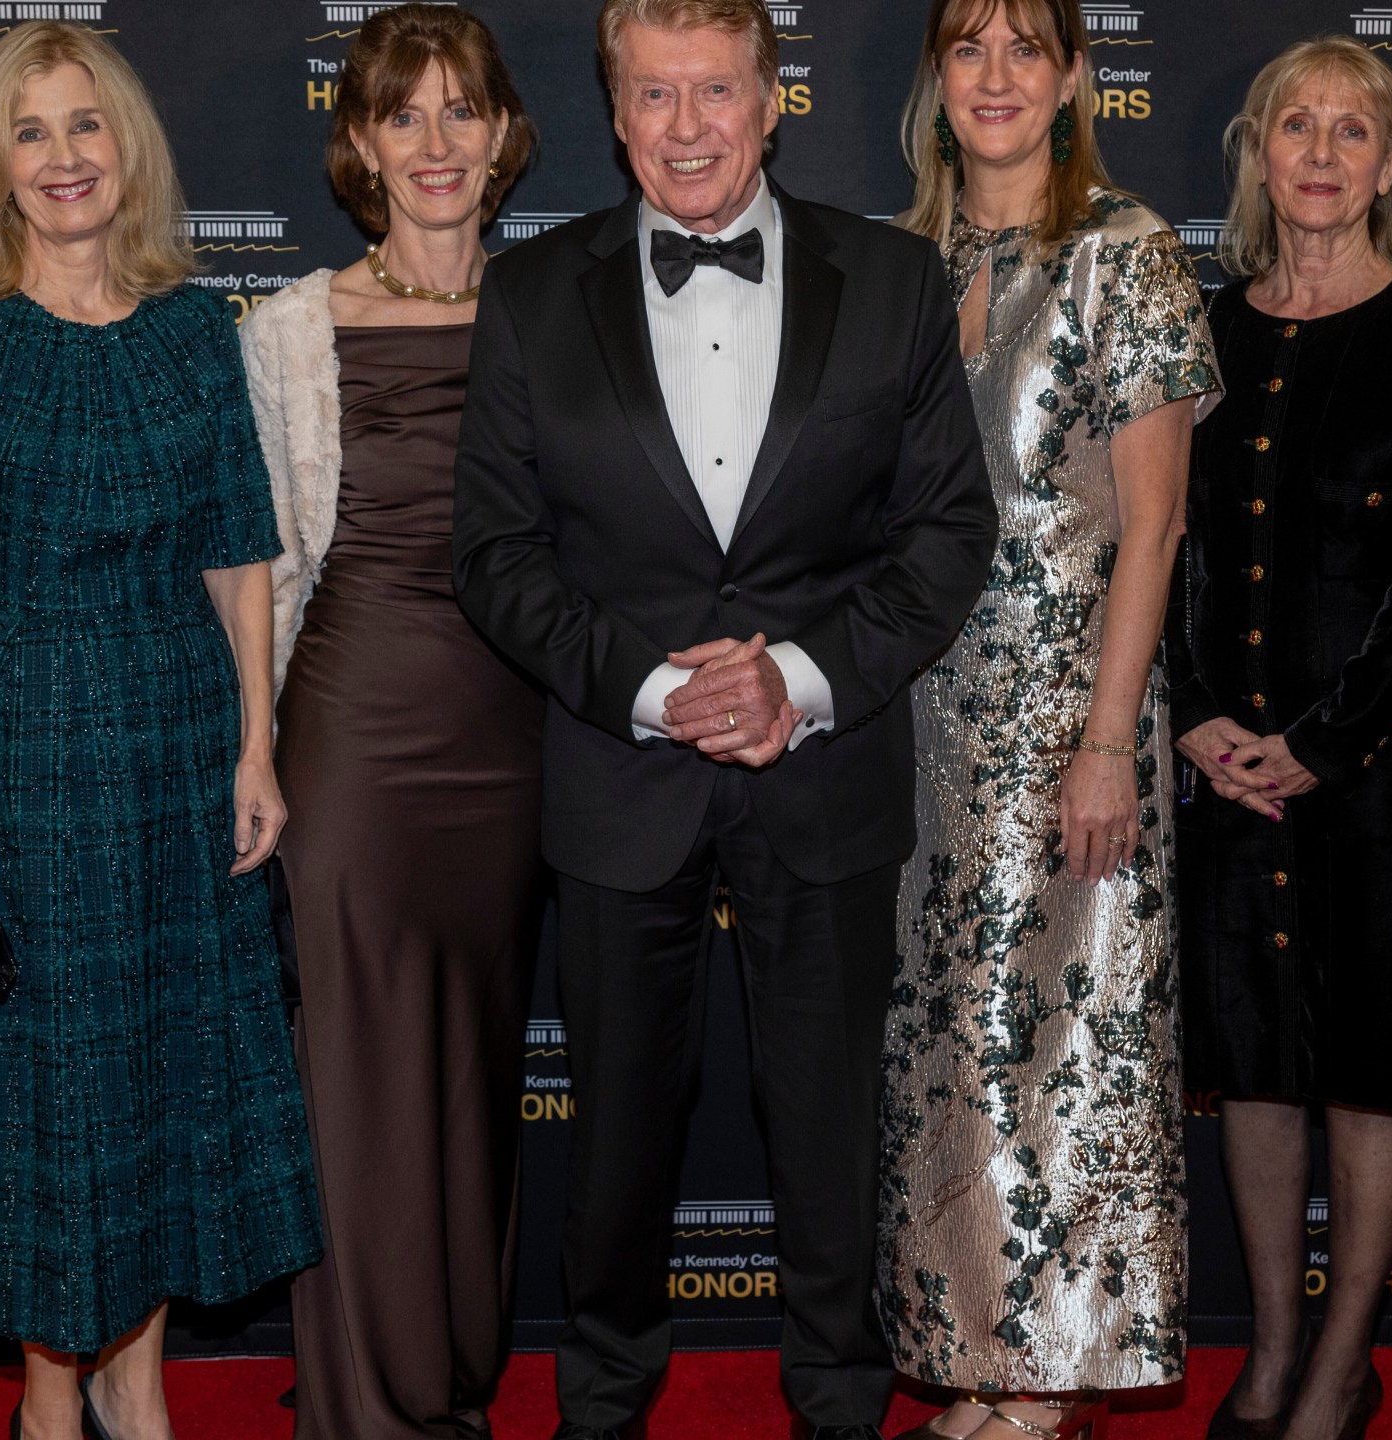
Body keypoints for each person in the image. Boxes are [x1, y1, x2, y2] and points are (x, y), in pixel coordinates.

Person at [449, 2, 999, 1436]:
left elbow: (947, 535)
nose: (685, 127)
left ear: (772, 102)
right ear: (613, 113)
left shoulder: (893, 279)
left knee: (830, 1125)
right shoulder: (530, 294)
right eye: (653, 95)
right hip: (618, 779)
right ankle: (605, 1396)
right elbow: (495, 556)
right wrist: (654, 691)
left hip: (826, 773)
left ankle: (839, 1398)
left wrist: (795, 681)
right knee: (618, 1131)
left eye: (714, 92)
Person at [0, 21, 321, 1440]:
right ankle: (48, 1397)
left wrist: (255, 747)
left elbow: (240, 558)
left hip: (177, 743)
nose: (64, 156)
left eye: (86, 124)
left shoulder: (196, 328)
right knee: (51, 1093)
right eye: (31, 130)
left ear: (127, 147)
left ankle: (139, 1382)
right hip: (22, 749)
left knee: (160, 1072)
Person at [871, 4, 1221, 1439]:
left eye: (1028, 47)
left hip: (1072, 712)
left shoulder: (1124, 253)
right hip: (920, 721)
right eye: (971, 47)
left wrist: (1106, 740)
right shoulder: (906, 263)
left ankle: (1050, 1377)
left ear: (1075, 76)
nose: (998, 76)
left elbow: (1156, 526)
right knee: (952, 1044)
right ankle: (982, 1359)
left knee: (1064, 1037)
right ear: (938, 79)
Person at [1163, 36, 1392, 1440]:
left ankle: (1344, 1366)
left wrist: (1325, 739)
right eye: (1293, 125)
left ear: (1391, 164)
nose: (1319, 151)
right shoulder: (1200, 329)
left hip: (1379, 770)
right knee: (1254, 1065)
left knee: (1371, 1074)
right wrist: (1193, 717)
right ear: (1256, 155)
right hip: (1228, 770)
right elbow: (1157, 544)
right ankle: (1274, 1350)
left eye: (1351, 130)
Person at [235, 8, 542, 1440]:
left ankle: (451, 1380)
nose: (434, 142)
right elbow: (249, 571)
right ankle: (366, 1405)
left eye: (460, 109)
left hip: (518, 739)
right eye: (401, 114)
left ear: (502, 134)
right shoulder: (289, 330)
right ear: (360, 142)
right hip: (353, 730)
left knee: (476, 1071)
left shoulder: (559, 313)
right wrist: (251, 748)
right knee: (358, 1077)